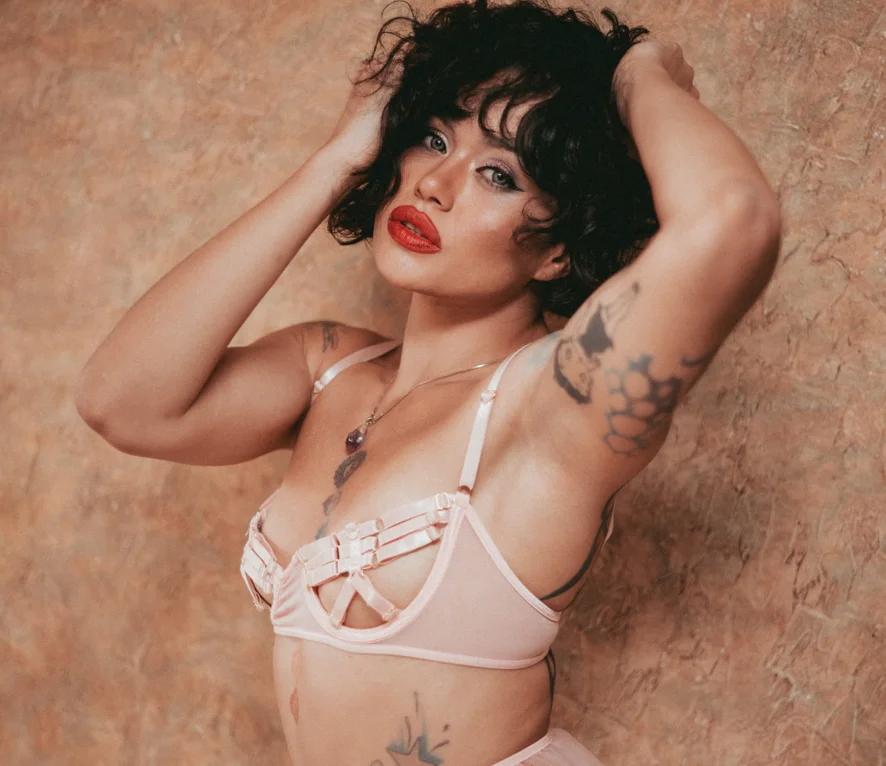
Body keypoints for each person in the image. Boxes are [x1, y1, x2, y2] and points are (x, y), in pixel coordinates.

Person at [75, 0, 782, 763]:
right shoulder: (330, 369)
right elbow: (121, 404)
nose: (436, 185)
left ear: (557, 249)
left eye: (497, 174)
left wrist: (637, 75)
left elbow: (733, 221)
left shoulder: (551, 407)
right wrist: (336, 158)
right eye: (433, 138)